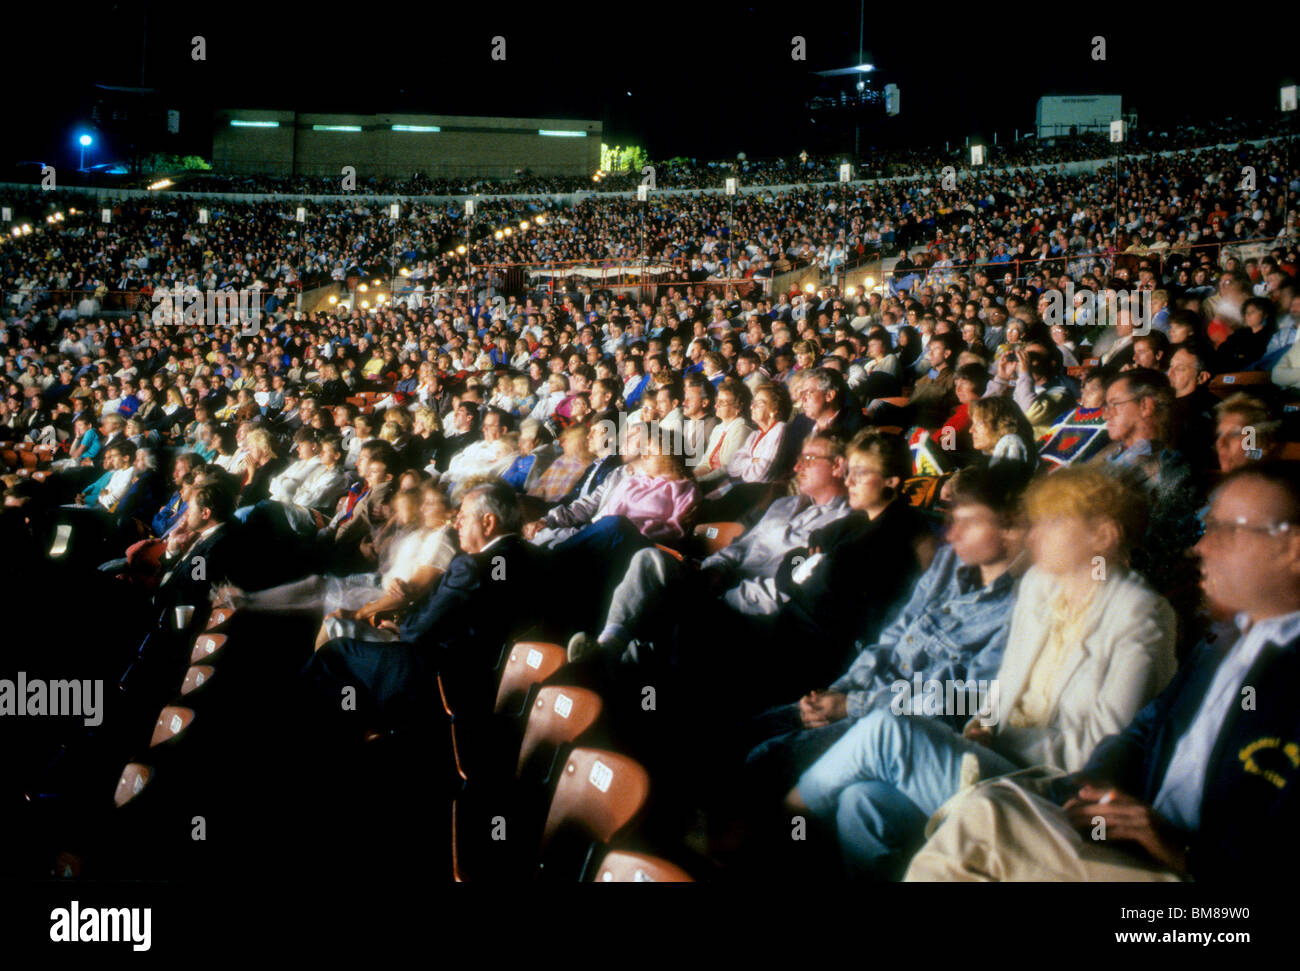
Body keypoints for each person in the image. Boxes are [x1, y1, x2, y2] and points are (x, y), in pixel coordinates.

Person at [907, 463, 1300, 883]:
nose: (1200, 546)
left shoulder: (1147, 614)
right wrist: (1086, 792)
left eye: (1227, 530)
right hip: (1124, 834)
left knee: (980, 812)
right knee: (879, 804)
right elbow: (1143, 730)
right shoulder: (1223, 644)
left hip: (1195, 877)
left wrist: (1181, 849)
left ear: (1293, 548)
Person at [785, 465, 1177, 879]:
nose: (1034, 534)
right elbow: (1002, 689)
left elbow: (1103, 747)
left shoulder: (1141, 614)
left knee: (887, 730)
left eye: (1052, 522)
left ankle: (776, 826)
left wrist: (1003, 738)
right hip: (996, 759)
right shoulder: (1041, 585)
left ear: (1103, 536)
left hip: (1051, 789)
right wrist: (983, 722)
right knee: (861, 802)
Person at [302, 482, 554, 728]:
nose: (457, 524)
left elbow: (419, 631)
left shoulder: (472, 566)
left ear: (488, 522)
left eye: (464, 518)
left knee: (335, 654)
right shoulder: (538, 557)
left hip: (435, 676)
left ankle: (334, 726)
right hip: (481, 683)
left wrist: (397, 627)